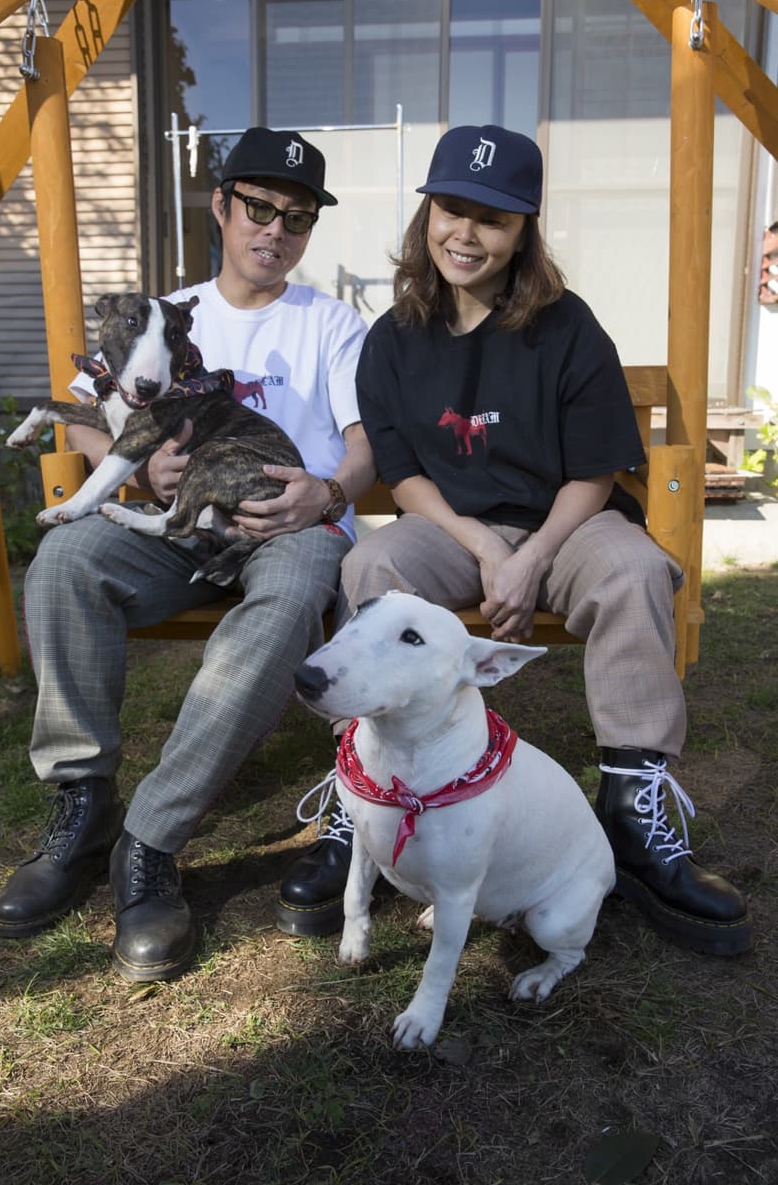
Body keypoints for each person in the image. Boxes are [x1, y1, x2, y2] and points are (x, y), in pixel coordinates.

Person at [277, 124, 753, 957]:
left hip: (566, 521)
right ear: (427, 214)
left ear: (525, 229)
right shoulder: (394, 337)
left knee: (637, 569)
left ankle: (633, 807)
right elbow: (406, 473)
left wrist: (529, 554)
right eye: (452, 210)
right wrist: (488, 550)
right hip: (450, 529)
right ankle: (359, 793)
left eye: (492, 220)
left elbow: (596, 472)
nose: (467, 233)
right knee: (375, 561)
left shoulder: (567, 328)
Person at [0, 126, 376, 982]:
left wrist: (331, 492)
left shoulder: (332, 324)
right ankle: (82, 803)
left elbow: (362, 444)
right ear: (223, 207)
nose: (275, 230)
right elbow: (104, 422)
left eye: (298, 218)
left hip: (287, 523)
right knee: (63, 562)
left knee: (290, 597)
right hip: (177, 528)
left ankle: (150, 840)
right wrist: (137, 465)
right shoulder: (164, 312)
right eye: (260, 208)